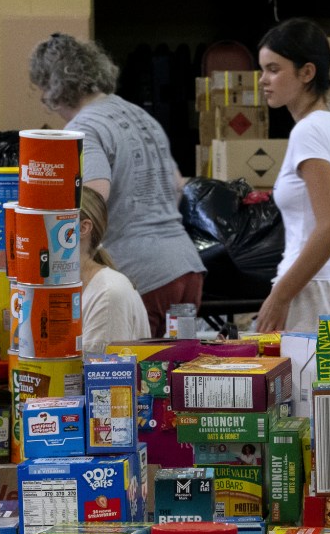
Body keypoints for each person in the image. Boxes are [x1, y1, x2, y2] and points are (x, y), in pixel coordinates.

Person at [29, 33, 205, 328]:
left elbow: (92, 200)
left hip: (141, 274)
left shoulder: (85, 126)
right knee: (176, 369)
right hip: (186, 266)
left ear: (54, 87)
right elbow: (177, 186)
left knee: (129, 370)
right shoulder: (141, 115)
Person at [252, 18, 330, 336]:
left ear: (307, 72)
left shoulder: (309, 130)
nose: (263, 79)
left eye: (274, 69)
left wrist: (280, 297)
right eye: (263, 69)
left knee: (300, 387)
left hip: (308, 293)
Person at [77, 186, 151, 352]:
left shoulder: (109, 292)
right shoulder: (66, 285)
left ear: (83, 228)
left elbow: (98, 373)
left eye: (54, 220)